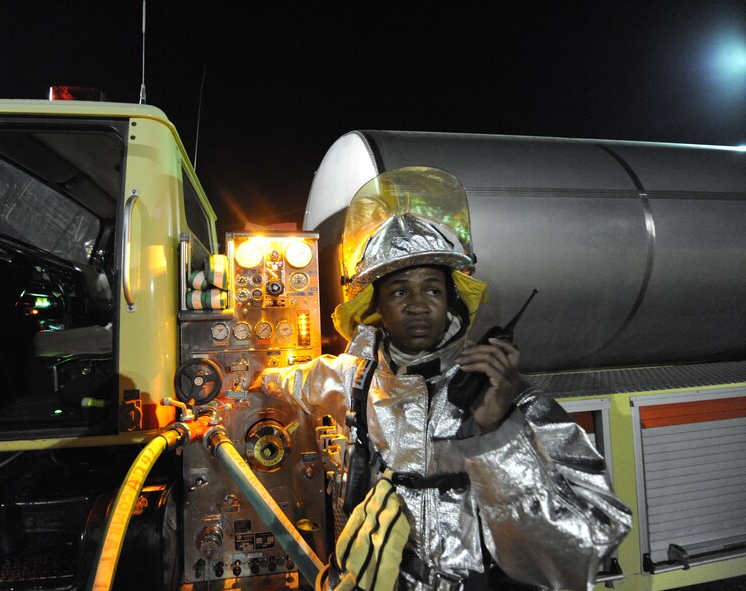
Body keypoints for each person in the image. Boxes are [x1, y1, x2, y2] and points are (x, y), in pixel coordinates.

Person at [257, 167, 631, 591]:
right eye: (400, 291)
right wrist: (246, 384)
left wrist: (496, 433)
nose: (418, 305)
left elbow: (578, 549)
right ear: (375, 305)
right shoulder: (354, 381)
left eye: (432, 290)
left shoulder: (508, 399)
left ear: (451, 300)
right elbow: (290, 380)